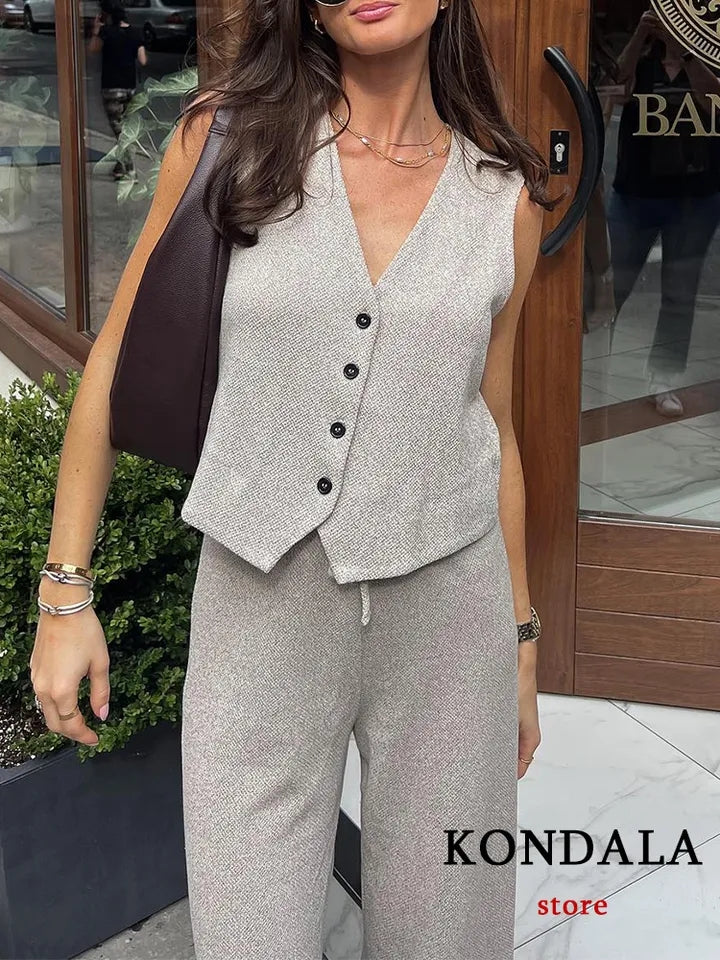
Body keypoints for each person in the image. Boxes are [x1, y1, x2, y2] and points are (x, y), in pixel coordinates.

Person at [30, 1, 555, 956]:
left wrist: (520, 645)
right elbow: (115, 362)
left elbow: (498, 428)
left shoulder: (503, 198)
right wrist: (65, 595)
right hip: (258, 615)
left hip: (450, 622)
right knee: (247, 933)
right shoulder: (225, 145)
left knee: (450, 935)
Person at [608, 7, 720, 416]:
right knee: (610, 287)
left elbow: (714, 103)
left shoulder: (709, 61)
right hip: (636, 193)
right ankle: (576, 366)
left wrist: (686, 51)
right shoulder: (644, 60)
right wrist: (640, 35)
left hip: (695, 197)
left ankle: (664, 378)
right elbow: (615, 89)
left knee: (679, 293)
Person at [89, 1, 147, 180]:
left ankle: (130, 170)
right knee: (124, 127)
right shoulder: (135, 33)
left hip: (111, 87)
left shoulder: (106, 32)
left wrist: (96, 31)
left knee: (119, 130)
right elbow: (143, 60)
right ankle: (120, 167)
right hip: (129, 87)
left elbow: (93, 49)